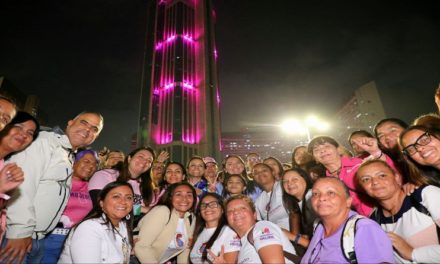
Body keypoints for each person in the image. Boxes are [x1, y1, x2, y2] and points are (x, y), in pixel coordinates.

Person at [0, 111, 103, 264]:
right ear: (69, 123)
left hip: (39, 240)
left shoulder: (68, 153)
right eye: (84, 122)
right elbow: (22, 186)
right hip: (19, 237)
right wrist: (19, 232)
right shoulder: (44, 141)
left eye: (94, 129)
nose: (88, 130)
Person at [356, 159, 440, 263]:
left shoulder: (425, 195)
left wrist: (412, 253)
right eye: (366, 179)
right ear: (363, 188)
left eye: (382, 175)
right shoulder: (374, 220)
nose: (375, 182)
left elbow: (409, 254)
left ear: (397, 178)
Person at [301, 177, 394, 264]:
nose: (321, 198)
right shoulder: (319, 226)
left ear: (348, 201)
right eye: (315, 194)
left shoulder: (364, 228)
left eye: (331, 193)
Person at [308, 135, 389, 216]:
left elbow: (387, 174)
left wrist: (376, 153)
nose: (322, 151)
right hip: (359, 222)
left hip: (383, 212)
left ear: (338, 149)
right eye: (316, 150)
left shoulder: (359, 164)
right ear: (315, 158)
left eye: (327, 146)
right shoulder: (325, 181)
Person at [42, 149, 99, 263]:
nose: (91, 166)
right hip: (49, 238)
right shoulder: (58, 182)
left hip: (75, 240)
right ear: (74, 161)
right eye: (86, 161)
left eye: (94, 164)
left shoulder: (91, 187)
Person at [58, 181, 134, 263]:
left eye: (128, 198)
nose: (123, 202)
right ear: (102, 203)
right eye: (116, 197)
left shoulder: (123, 226)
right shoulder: (89, 228)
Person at [0, 112, 39, 242]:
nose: (24, 135)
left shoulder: (5, 166)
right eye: (18, 126)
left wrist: (5, 192)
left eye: (30, 133)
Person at [134, 182, 196, 263]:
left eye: (189, 195)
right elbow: (141, 246)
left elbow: (185, 250)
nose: (184, 198)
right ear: (170, 197)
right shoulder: (162, 211)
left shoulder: (191, 218)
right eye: (178, 194)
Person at [225, 194, 297, 263]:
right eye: (230, 211)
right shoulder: (241, 247)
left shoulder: (261, 227)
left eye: (243, 208)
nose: (236, 212)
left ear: (254, 215)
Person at [88, 147, 154, 216]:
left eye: (149, 161)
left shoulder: (147, 187)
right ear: (129, 159)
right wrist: (141, 209)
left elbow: (152, 212)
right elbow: (101, 205)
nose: (144, 161)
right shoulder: (105, 175)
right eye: (141, 156)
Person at [190, 193, 240, 263]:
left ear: (222, 209)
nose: (207, 208)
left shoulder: (230, 233)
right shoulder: (198, 231)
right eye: (203, 205)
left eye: (213, 204)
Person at [281, 168, 317, 250]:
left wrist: (292, 237)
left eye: (294, 179)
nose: (289, 183)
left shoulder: (312, 196)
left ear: (305, 179)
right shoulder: (296, 205)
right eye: (285, 181)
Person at [252, 163, 290, 230]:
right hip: (276, 237)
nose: (260, 174)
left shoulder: (285, 186)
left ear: (273, 172)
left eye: (264, 170)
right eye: (256, 173)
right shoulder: (258, 201)